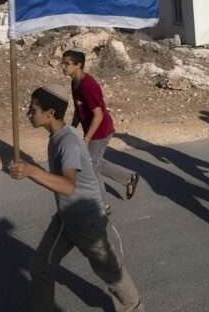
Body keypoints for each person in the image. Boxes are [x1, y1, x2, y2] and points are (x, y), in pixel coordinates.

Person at [9, 85, 144, 312]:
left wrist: (31, 172)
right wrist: (27, 172)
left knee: (111, 272)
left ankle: (134, 308)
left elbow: (68, 186)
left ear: (50, 113)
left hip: (88, 220)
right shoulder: (57, 136)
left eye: (33, 110)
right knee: (41, 268)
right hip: (67, 217)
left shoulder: (68, 142)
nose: (28, 114)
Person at [62, 50, 139, 212]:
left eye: (67, 64)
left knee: (91, 167)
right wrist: (72, 128)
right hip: (91, 130)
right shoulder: (74, 82)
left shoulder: (87, 86)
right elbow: (78, 108)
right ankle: (129, 177)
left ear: (78, 65)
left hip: (100, 131)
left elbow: (98, 114)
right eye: (63, 63)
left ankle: (102, 204)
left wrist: (87, 138)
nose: (63, 67)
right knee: (95, 162)